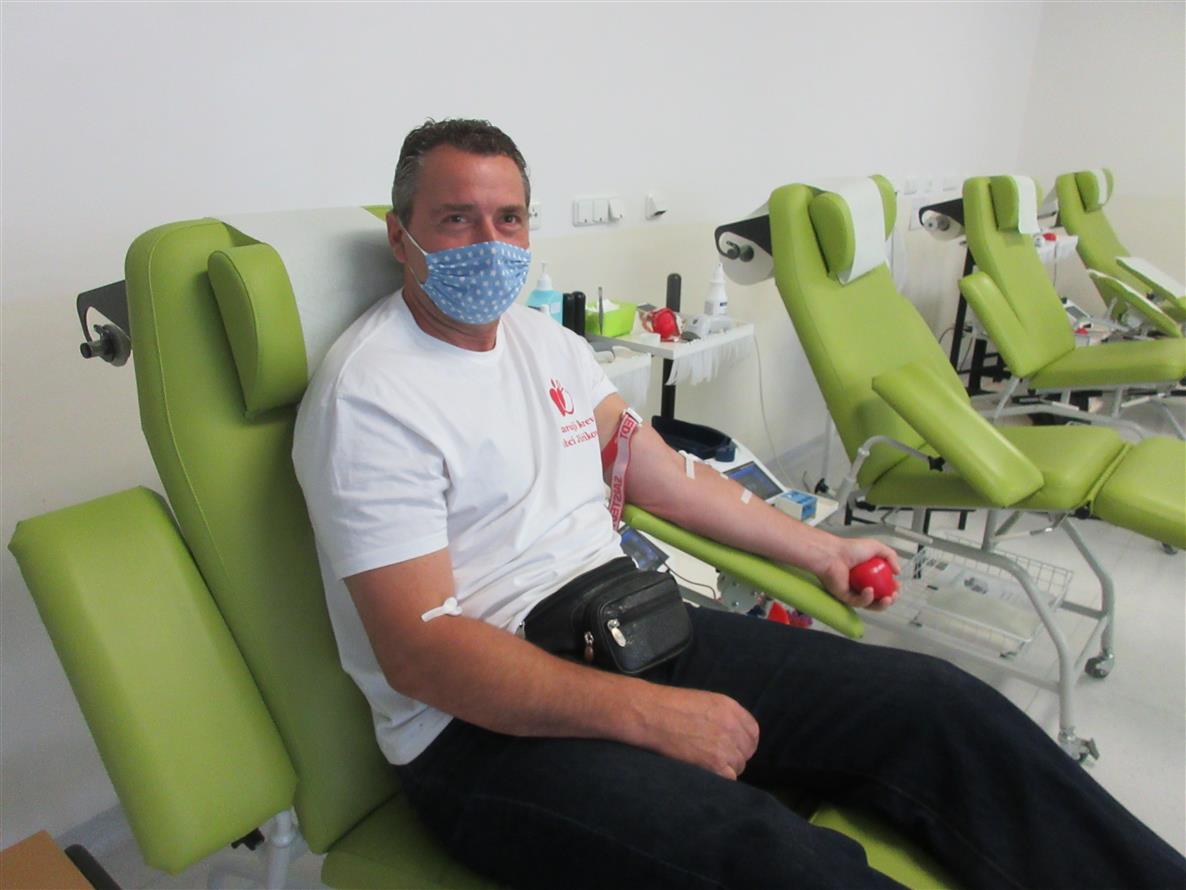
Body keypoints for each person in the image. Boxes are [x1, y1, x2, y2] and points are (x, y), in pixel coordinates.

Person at [293, 118, 1185, 890]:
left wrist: (820, 551)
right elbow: (423, 654)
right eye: (456, 219)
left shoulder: (544, 342)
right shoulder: (371, 395)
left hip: (625, 627)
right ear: (400, 236)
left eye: (509, 218)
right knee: (782, 861)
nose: (490, 243)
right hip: (479, 728)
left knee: (939, 706)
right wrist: (649, 716)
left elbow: (658, 473)